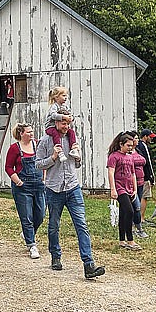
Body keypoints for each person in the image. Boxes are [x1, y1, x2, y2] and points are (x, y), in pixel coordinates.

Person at [35, 110, 105, 279]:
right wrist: (52, 157)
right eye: (63, 123)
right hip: (54, 189)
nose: (66, 126)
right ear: (56, 123)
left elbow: (78, 164)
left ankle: (89, 265)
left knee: (81, 224)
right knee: (54, 225)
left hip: (73, 188)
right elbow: (38, 165)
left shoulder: (71, 139)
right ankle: (55, 255)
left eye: (68, 123)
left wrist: (78, 155)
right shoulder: (45, 140)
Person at [4, 123, 45, 259]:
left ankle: (28, 233)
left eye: (32, 131)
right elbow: (9, 167)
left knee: (40, 214)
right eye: (28, 132)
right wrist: (17, 181)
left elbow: (43, 162)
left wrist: (44, 178)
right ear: (21, 133)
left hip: (39, 186)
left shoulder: (38, 145)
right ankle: (32, 245)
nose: (31, 134)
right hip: (23, 187)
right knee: (26, 216)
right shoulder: (14, 149)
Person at [107, 133, 141, 250]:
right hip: (119, 187)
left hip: (129, 187)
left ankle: (122, 240)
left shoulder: (130, 157)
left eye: (132, 145)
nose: (130, 147)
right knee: (130, 211)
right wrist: (113, 189)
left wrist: (135, 189)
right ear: (121, 144)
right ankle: (130, 240)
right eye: (128, 145)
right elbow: (111, 172)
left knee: (123, 214)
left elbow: (133, 174)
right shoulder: (114, 156)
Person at [45, 86, 80, 162]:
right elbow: (53, 115)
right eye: (63, 95)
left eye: (66, 95)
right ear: (56, 97)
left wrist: (71, 118)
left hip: (59, 128)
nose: (66, 97)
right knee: (55, 133)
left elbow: (70, 114)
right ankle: (60, 151)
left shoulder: (65, 107)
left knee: (71, 132)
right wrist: (64, 116)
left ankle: (73, 148)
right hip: (50, 127)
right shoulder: (54, 106)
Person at [128, 132, 148, 239]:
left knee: (138, 205)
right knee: (135, 206)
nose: (137, 140)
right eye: (135, 138)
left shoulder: (138, 151)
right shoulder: (127, 152)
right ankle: (137, 228)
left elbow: (146, 163)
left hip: (141, 182)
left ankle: (135, 226)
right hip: (131, 183)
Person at [135, 128, 156, 221]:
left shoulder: (137, 146)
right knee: (145, 196)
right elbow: (148, 163)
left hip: (139, 176)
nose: (151, 139)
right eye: (150, 137)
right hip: (145, 176)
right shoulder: (144, 146)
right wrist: (151, 176)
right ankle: (141, 218)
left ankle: (138, 217)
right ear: (145, 137)